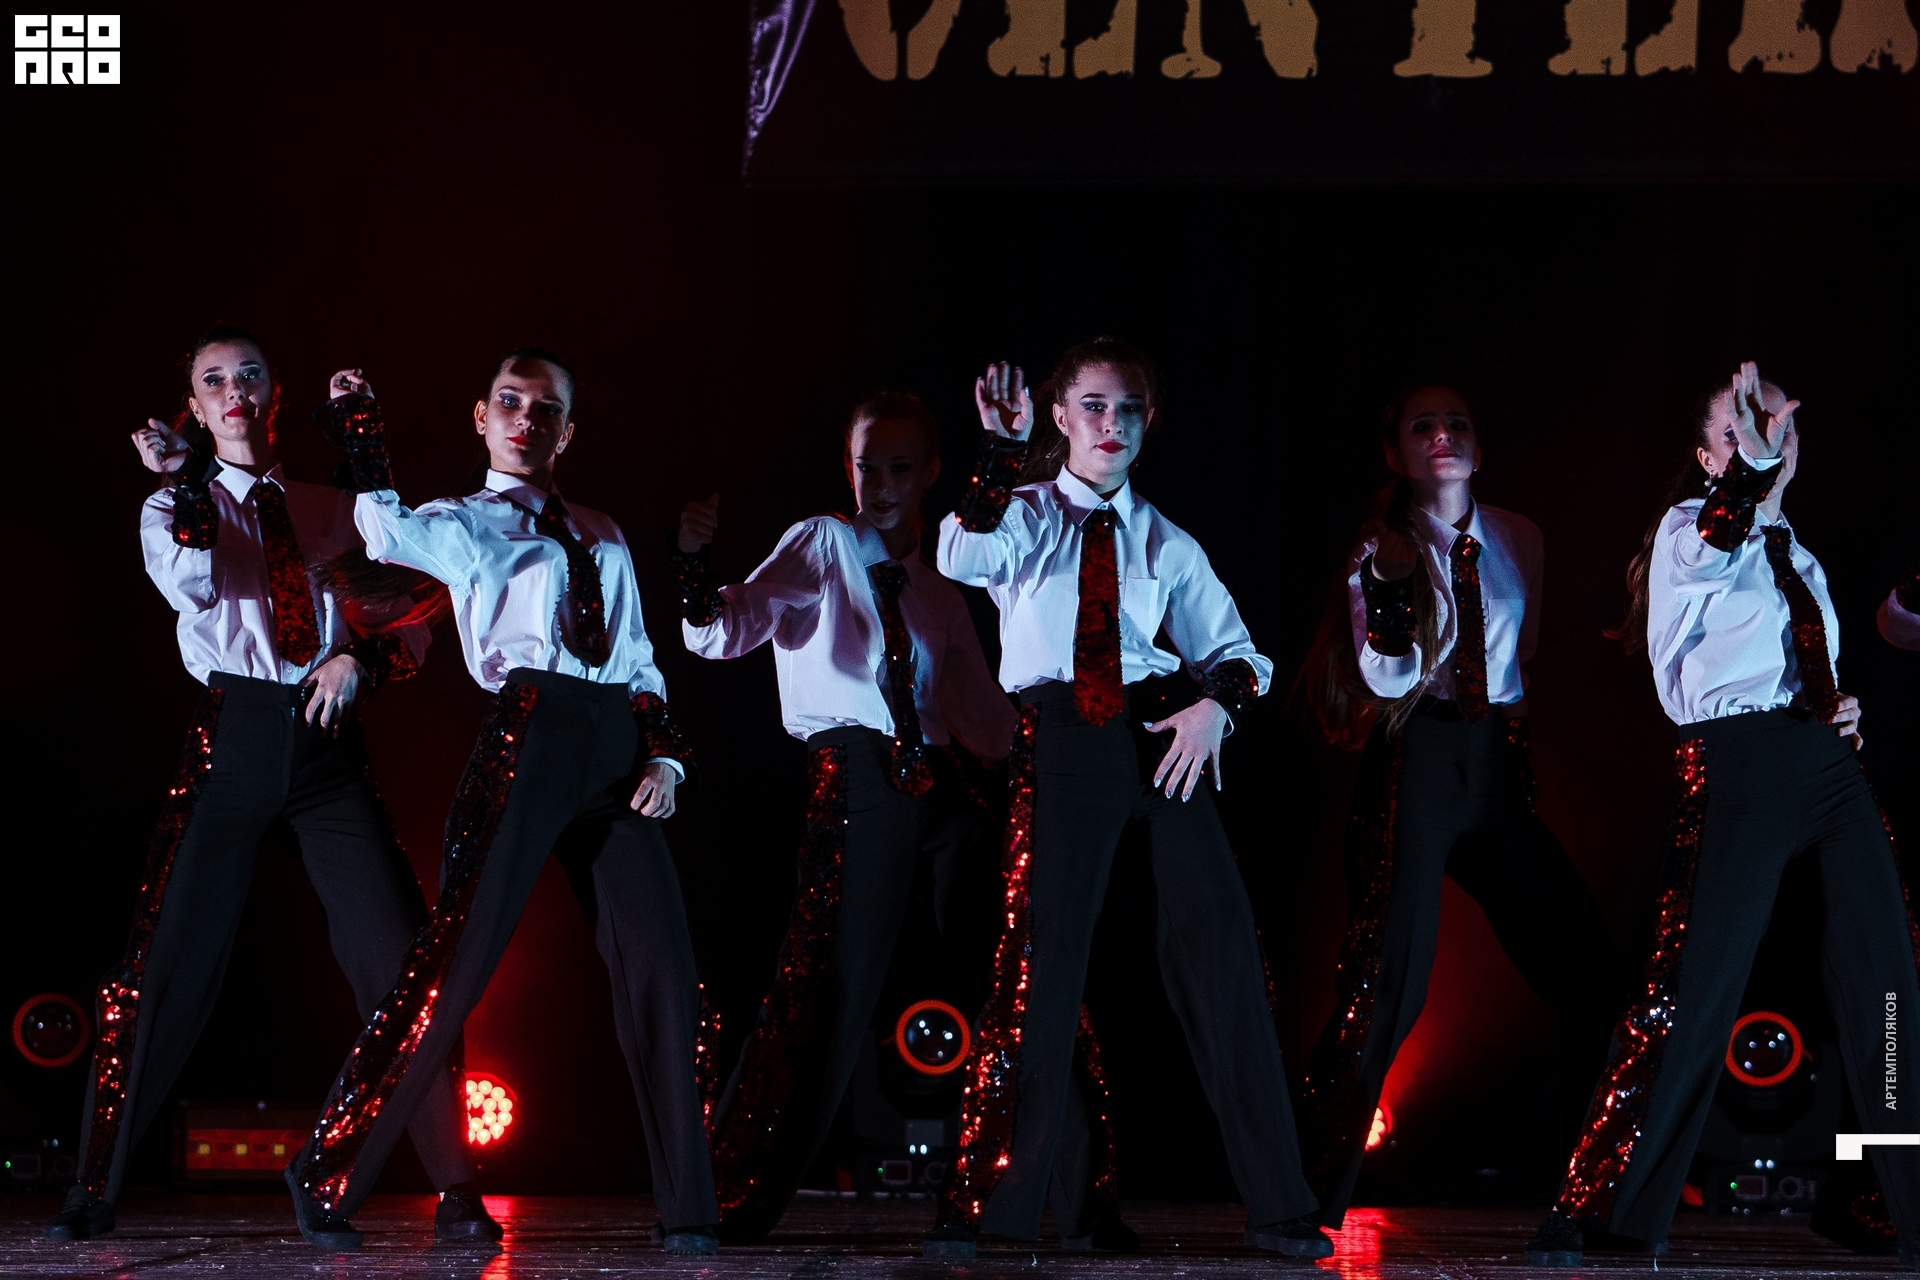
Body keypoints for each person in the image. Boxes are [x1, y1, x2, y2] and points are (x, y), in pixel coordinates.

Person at [46, 327, 496, 1245]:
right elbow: (198, 583)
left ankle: (453, 1184)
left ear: (274, 392)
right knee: (163, 967)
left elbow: (416, 609)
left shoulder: (336, 506)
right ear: (196, 408)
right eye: (213, 380)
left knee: (402, 961)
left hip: (327, 746)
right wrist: (184, 483)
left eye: (248, 373)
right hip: (236, 736)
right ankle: (93, 1182)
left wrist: (360, 659)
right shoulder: (175, 505)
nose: (233, 389)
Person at [281, 352, 718, 1255]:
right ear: (481, 417)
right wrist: (363, 430)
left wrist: (667, 758)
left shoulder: (601, 530)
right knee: (455, 963)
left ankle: (689, 1210)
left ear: (568, 430)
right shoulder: (463, 522)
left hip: (614, 746)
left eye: (546, 409)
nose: (527, 419)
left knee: (663, 968)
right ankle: (327, 1168)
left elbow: (639, 655)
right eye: (510, 403)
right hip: (527, 735)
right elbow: (386, 533)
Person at [924, 340, 1331, 1260]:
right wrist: (998, 453)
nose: (1113, 425)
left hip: (1156, 738)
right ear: (1060, 418)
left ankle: (1281, 1206)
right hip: (1063, 738)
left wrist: (1216, 709)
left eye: (1130, 409)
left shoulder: (1164, 539)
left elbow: (1240, 653)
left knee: (1224, 955)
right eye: (1095, 407)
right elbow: (959, 554)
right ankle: (998, 1211)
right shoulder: (1025, 513)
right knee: (1044, 969)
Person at [1527, 363, 1920, 1267]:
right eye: (1743, 424)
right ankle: (1605, 1209)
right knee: (1691, 992)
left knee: (1890, 991)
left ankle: (1889, 1199)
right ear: (1713, 458)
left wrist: (1835, 706)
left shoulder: (1801, 558)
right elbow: (1716, 548)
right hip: (1738, 772)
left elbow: (1792, 664)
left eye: (1778, 420)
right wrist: (1751, 472)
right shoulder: (1689, 531)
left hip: (1828, 771)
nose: (1770, 433)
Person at [1293, 385, 1627, 1228]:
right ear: (1395, 453)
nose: (1442, 435)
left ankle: (1589, 1198)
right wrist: (1391, 587)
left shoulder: (1520, 535)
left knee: (1591, 973)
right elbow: (1386, 679)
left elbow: (1523, 649)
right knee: (1387, 984)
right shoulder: (1380, 546)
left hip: (1496, 758)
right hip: (1416, 753)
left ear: (1479, 447)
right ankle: (1305, 1200)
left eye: (1458, 423)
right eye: (1422, 425)